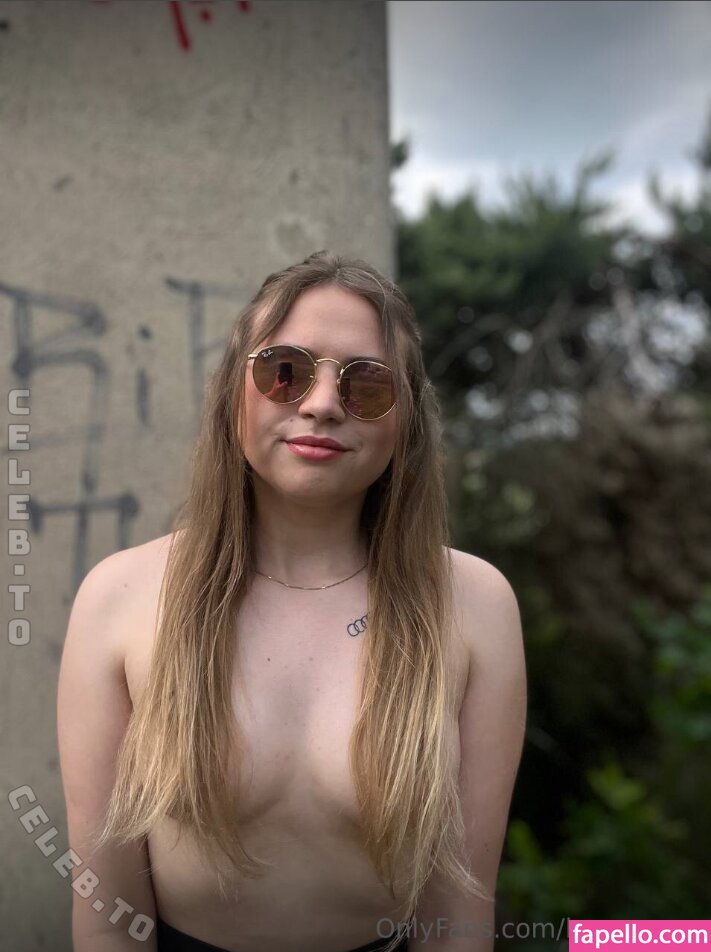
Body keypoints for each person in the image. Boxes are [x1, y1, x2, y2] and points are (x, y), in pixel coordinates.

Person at [57, 251, 527, 952]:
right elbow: (106, 916)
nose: (322, 403)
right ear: (233, 393)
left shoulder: (474, 605)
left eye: (366, 384)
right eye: (285, 371)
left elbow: (458, 920)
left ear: (406, 421)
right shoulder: (120, 598)